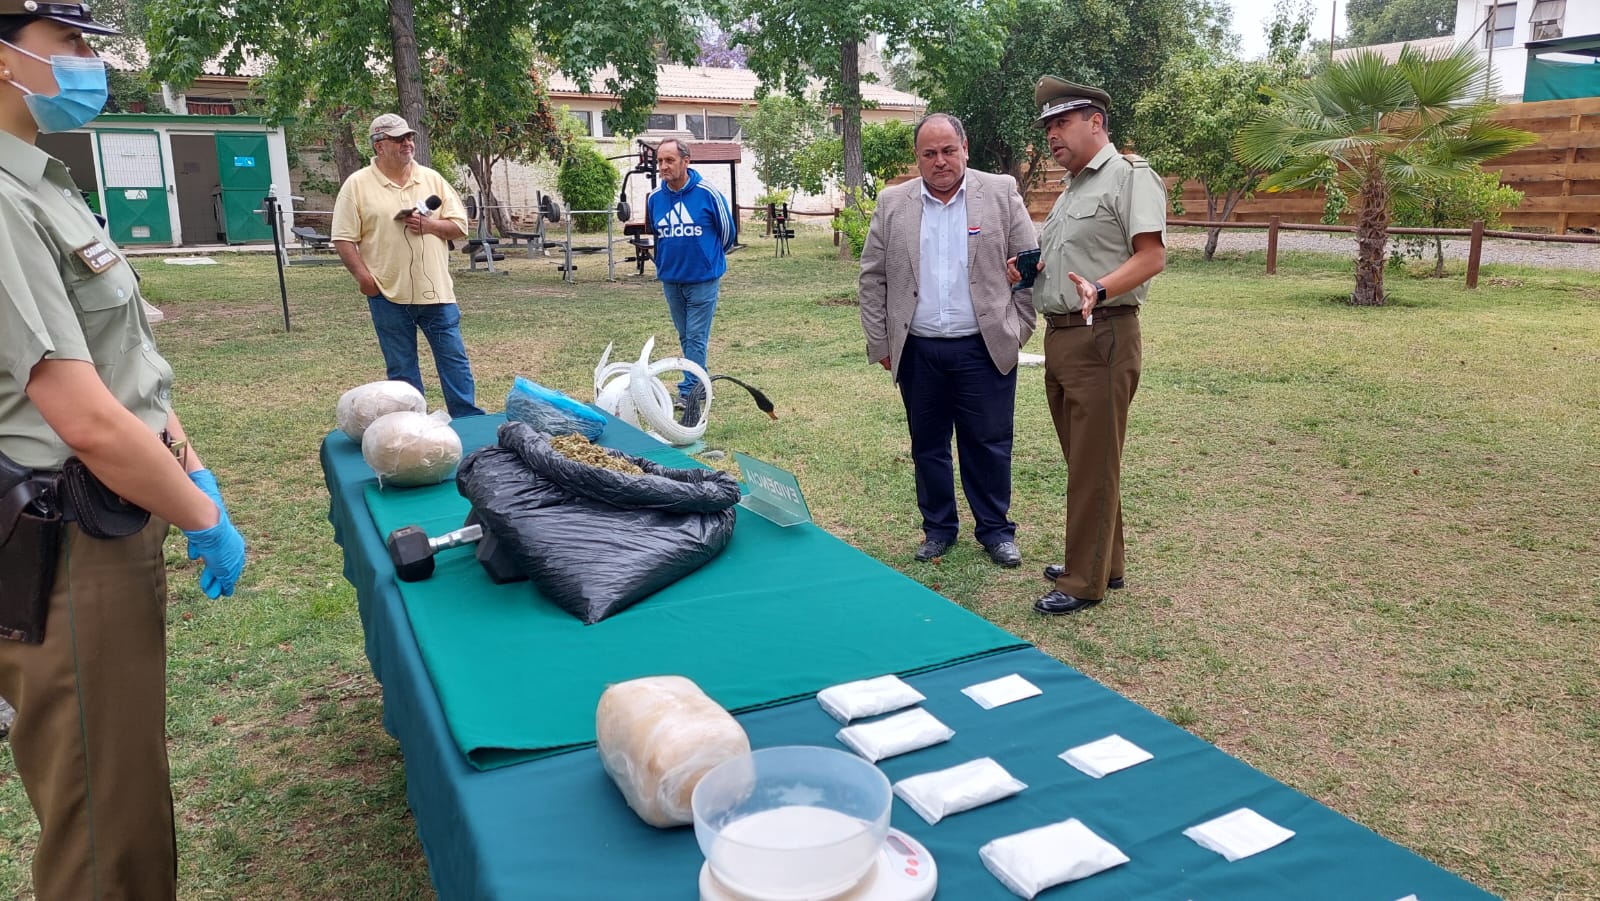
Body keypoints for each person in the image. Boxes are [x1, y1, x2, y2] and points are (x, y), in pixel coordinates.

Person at [0, 4, 247, 898]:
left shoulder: (45, 183)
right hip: (66, 536)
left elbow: (127, 368)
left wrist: (187, 466)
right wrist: (205, 515)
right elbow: (83, 414)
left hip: (113, 508)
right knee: (105, 826)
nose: (87, 63)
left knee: (125, 789)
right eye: (67, 45)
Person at [1013, 76, 1167, 615]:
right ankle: (1107, 561)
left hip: (1102, 333)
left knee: (1092, 464)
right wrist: (1031, 268)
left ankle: (1084, 580)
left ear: (1096, 121)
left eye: (1062, 123)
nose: (1052, 135)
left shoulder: (1128, 177)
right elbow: (1073, 256)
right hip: (1063, 337)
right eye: (1048, 126)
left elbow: (1151, 256)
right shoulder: (1073, 188)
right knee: (1087, 459)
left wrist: (1100, 289)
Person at [859, 113, 1039, 567]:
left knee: (989, 442)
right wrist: (881, 343)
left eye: (948, 150)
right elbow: (872, 277)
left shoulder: (999, 193)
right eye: (929, 153)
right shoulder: (893, 202)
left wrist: (1017, 327)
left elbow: (1031, 266)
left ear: (965, 148)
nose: (940, 161)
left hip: (984, 345)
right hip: (919, 350)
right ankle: (938, 529)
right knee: (928, 445)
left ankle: (996, 532)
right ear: (918, 158)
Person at [332, 113, 485, 418]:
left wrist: (429, 226)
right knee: (401, 368)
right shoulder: (357, 185)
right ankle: (412, 427)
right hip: (388, 295)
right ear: (379, 145)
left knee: (454, 360)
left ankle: (468, 422)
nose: (408, 143)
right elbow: (343, 238)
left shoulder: (431, 179)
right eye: (399, 138)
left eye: (410, 137)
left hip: (436, 294)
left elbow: (460, 227)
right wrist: (364, 279)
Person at [645, 138, 736, 412]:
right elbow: (658, 235)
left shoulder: (708, 193)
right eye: (660, 161)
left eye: (669, 160)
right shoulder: (655, 199)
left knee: (695, 336)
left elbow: (728, 234)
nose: (663, 166)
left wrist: (708, 260)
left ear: (686, 161)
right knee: (685, 335)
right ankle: (701, 382)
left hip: (703, 279)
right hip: (672, 278)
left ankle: (691, 391)